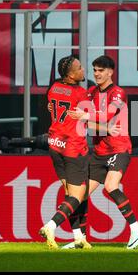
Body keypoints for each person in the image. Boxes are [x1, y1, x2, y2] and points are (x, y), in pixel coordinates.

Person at [66, 55, 138, 250]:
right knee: (80, 195)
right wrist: (101, 125)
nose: (97, 74)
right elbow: (89, 123)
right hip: (99, 152)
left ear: (110, 72)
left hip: (119, 148)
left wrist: (88, 117)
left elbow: (108, 115)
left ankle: (136, 229)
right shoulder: (91, 92)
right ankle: (81, 240)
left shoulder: (118, 93)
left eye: (101, 70)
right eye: (94, 70)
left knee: (110, 186)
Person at [38, 55, 89, 250]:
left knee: (71, 195)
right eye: (79, 68)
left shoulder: (53, 89)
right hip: (72, 147)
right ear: (70, 75)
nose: (83, 70)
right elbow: (91, 118)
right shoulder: (80, 94)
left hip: (55, 145)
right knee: (77, 196)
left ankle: (78, 238)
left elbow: (52, 106)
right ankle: (51, 226)